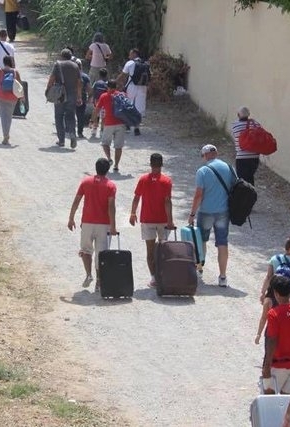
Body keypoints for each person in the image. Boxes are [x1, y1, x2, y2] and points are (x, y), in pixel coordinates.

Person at [187, 144, 235, 287]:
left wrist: (192, 214)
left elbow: (198, 195)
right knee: (222, 243)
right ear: (216, 153)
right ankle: (222, 276)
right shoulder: (228, 167)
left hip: (206, 211)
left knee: (201, 241)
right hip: (223, 212)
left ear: (205, 155)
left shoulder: (203, 171)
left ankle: (199, 267)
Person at [67, 158, 117, 291]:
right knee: (101, 254)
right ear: (107, 170)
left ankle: (89, 275)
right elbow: (111, 207)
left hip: (87, 222)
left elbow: (76, 200)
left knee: (85, 250)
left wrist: (71, 218)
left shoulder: (86, 182)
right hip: (104, 224)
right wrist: (113, 226)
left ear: (96, 168)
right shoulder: (111, 186)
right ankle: (100, 281)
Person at [129, 153, 174, 287]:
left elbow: (137, 197)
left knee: (149, 250)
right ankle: (162, 274)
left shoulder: (143, 179)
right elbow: (168, 202)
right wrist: (170, 221)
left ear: (150, 164)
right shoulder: (167, 181)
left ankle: (153, 278)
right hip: (162, 220)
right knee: (163, 248)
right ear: (161, 164)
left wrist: (132, 213)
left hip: (147, 219)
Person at [261, 275, 290, 395]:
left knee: (270, 401)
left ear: (276, 293)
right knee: (287, 404)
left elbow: (272, 340)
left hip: (277, 366)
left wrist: (266, 366)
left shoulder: (273, 314)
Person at [45, 49, 82, 148]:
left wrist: (48, 89)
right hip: (72, 94)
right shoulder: (75, 66)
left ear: (61, 56)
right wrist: (79, 96)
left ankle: (61, 140)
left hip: (60, 94)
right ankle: (72, 134)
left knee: (59, 116)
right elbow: (79, 83)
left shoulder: (58, 65)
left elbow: (52, 79)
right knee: (70, 115)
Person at [259, 236, 290, 304]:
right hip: (289, 294)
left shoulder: (274, 259)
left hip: (274, 292)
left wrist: (263, 293)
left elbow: (268, 277)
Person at [90, 80, 126, 172]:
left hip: (109, 123)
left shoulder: (104, 96)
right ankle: (116, 165)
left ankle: (109, 159)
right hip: (121, 123)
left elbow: (97, 110)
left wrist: (92, 120)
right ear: (116, 87)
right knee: (118, 146)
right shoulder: (122, 95)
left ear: (108, 87)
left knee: (105, 143)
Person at [0, 56, 22, 145]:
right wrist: (22, 97)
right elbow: (20, 85)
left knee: (4, 117)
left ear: (4, 62)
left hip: (1, 96)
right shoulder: (16, 72)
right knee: (9, 116)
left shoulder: (0, 71)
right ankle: (6, 133)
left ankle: (5, 136)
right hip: (13, 97)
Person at [119, 48, 148, 136]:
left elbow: (123, 75)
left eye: (130, 54)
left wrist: (116, 82)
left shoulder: (130, 63)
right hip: (143, 87)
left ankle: (127, 125)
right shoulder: (145, 64)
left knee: (128, 104)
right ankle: (137, 127)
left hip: (132, 87)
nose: (129, 56)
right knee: (139, 107)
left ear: (135, 54)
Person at [231, 106, 261, 185]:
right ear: (249, 114)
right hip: (255, 157)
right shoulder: (256, 124)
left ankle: (246, 196)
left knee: (242, 180)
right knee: (250, 177)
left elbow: (235, 136)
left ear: (238, 115)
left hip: (242, 157)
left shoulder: (235, 125)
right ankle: (252, 196)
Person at [90, 68, 109, 139]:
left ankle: (94, 129)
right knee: (103, 116)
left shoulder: (96, 83)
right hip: (104, 102)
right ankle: (102, 131)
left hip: (96, 101)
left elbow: (92, 91)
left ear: (99, 75)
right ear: (106, 75)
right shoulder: (107, 83)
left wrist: (90, 98)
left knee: (96, 115)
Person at [75, 59, 91, 139]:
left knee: (70, 114)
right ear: (81, 66)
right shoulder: (85, 76)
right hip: (82, 97)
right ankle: (80, 132)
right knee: (80, 116)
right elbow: (89, 89)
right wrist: (90, 98)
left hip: (71, 97)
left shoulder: (70, 76)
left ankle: (69, 130)